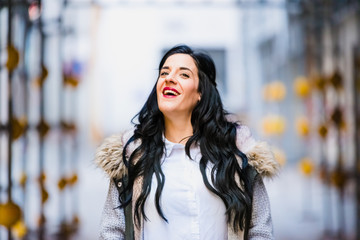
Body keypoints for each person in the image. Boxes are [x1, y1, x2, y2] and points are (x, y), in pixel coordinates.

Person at [95, 45, 279, 240]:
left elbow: (260, 231)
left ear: (200, 92)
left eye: (184, 75)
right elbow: (111, 230)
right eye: (164, 73)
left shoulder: (237, 154)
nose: (169, 78)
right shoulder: (133, 155)